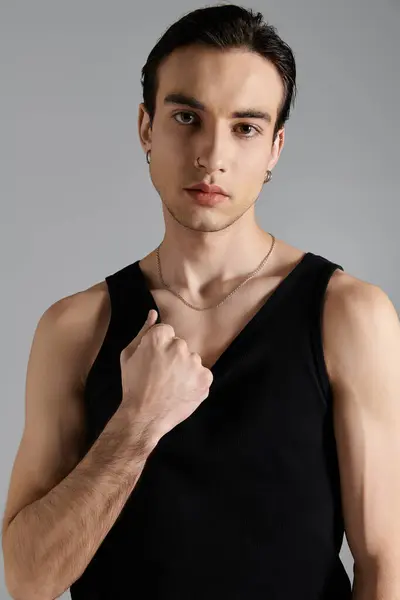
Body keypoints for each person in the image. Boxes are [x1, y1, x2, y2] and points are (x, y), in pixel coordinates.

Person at [2, 4, 400, 599]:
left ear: (274, 148)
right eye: (187, 116)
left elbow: (382, 564)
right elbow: (29, 579)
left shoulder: (348, 315)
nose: (212, 153)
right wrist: (136, 423)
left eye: (245, 127)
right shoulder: (77, 327)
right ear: (146, 127)